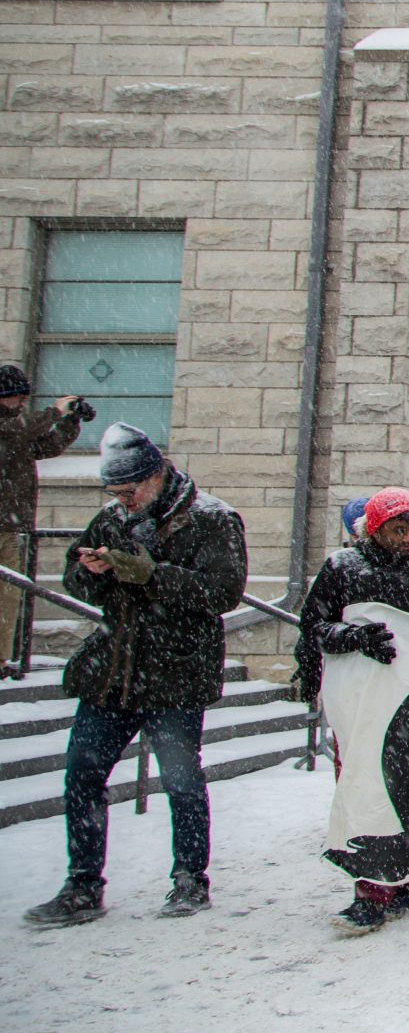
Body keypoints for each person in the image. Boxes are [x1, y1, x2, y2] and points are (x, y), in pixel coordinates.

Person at [22, 425, 245, 929]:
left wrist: (151, 574)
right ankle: (82, 883)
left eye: (130, 491)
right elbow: (76, 580)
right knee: (82, 770)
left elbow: (223, 593)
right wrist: (92, 571)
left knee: (181, 780)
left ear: (157, 475)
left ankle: (190, 878)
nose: (124, 501)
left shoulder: (211, 518)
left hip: (176, 672)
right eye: (116, 494)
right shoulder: (112, 519)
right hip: (114, 670)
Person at [295, 486, 409, 935]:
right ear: (374, 531)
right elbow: (314, 624)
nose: (405, 538)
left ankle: (407, 878)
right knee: (366, 788)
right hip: (361, 703)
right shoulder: (342, 568)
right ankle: (371, 888)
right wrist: (353, 638)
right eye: (396, 530)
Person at [0, 367, 87, 666]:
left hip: (12, 527)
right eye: (18, 398)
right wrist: (54, 412)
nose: (22, 404)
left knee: (9, 597)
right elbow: (18, 430)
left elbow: (46, 446)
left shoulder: (17, 428)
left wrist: (71, 422)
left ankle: (0, 660)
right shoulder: (9, 427)